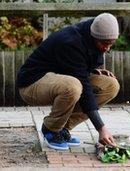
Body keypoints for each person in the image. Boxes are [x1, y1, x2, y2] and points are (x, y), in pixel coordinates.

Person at [16, 13, 120, 150]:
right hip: (31, 84)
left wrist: (91, 71)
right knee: (73, 86)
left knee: (110, 85)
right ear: (94, 36)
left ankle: (62, 128)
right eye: (104, 44)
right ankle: (50, 129)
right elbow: (84, 89)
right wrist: (101, 128)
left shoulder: (93, 34)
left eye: (110, 44)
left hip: (57, 77)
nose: (107, 48)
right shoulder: (70, 41)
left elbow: (72, 66)